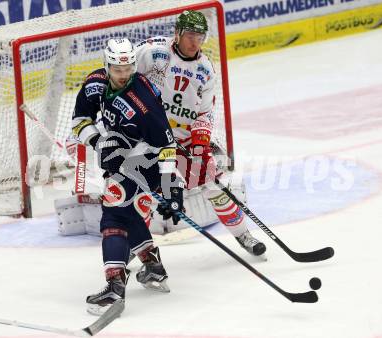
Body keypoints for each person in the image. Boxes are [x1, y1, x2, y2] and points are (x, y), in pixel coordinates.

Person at [135, 10, 266, 256]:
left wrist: (199, 144)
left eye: (200, 36)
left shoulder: (205, 69)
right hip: (149, 134)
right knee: (140, 192)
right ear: (177, 33)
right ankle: (136, 247)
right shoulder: (153, 52)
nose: (195, 41)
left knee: (215, 185)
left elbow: (205, 113)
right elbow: (120, 74)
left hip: (183, 136)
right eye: (190, 35)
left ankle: (242, 235)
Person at [71, 38, 184, 316]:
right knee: (125, 210)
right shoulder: (95, 84)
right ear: (107, 65)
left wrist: (169, 187)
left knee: (113, 213)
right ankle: (153, 266)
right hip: (121, 157)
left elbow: (166, 147)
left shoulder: (143, 101)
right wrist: (98, 142)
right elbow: (80, 120)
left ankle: (115, 286)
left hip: (148, 161)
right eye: (117, 69)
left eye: (128, 68)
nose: (123, 74)